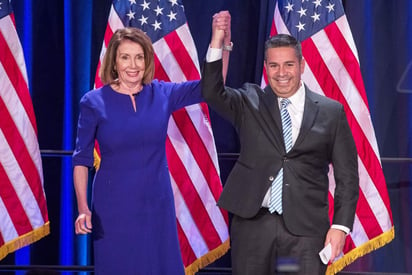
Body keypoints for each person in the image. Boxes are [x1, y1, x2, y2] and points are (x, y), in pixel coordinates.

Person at [72, 12, 231, 274]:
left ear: (147, 61)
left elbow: (211, 87)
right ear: (114, 62)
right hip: (113, 207)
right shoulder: (93, 101)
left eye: (139, 57)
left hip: (156, 202)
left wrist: (220, 41)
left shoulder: (162, 93)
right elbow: (81, 160)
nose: (132, 65)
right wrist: (82, 208)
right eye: (125, 57)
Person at [202, 14, 359, 275]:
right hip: (253, 227)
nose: (282, 73)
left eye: (289, 65)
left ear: (302, 65)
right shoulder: (249, 102)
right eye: (274, 66)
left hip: (305, 234)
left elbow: (348, 177)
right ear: (266, 67)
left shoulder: (331, 112)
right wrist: (219, 42)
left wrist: (341, 226)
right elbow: (211, 92)